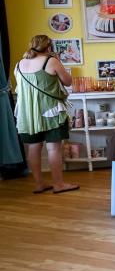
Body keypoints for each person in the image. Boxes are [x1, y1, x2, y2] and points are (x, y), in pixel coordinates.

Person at [14, 34, 79, 194]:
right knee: (53, 149)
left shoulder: (19, 64)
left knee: (33, 148)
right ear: (49, 47)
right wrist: (57, 60)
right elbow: (68, 81)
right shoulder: (51, 61)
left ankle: (39, 183)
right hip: (50, 112)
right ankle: (59, 184)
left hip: (28, 114)